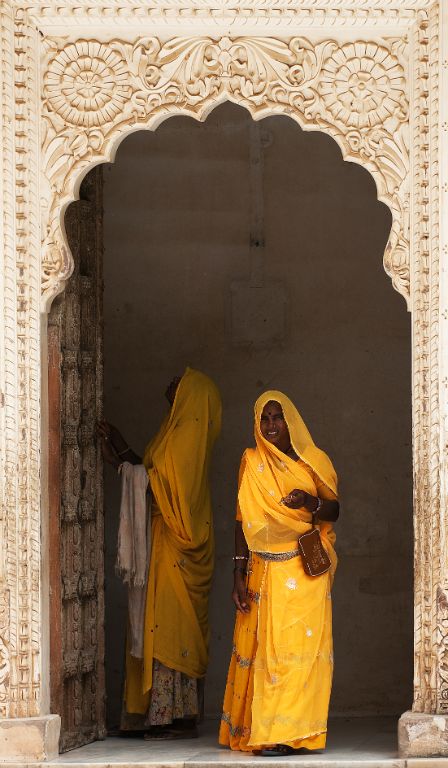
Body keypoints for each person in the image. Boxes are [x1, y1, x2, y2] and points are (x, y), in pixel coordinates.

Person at [98, 367, 222, 739]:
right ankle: (154, 713)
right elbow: (152, 472)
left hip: (178, 546)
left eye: (179, 380)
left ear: (193, 395)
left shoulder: (186, 435)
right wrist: (120, 445)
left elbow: (156, 486)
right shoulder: (173, 430)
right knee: (159, 623)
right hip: (164, 541)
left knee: (170, 626)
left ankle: (174, 716)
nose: (170, 382)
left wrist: (118, 463)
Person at [219, 391, 339, 755]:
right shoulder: (251, 462)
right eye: (264, 418)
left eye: (277, 417)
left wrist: (309, 502)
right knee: (265, 657)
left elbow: (333, 510)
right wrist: (238, 575)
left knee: (296, 654)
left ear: (291, 422)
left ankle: (293, 734)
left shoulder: (313, 461)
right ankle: (267, 732)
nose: (271, 425)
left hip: (304, 571)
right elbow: (242, 521)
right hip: (262, 571)